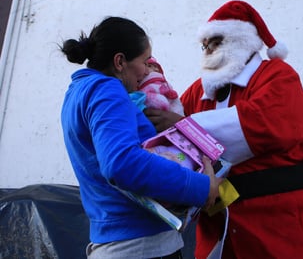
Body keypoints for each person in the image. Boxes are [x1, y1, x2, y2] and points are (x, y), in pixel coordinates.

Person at [145, 0, 303, 258]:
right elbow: (168, 132)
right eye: (204, 45)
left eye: (215, 41)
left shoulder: (277, 75)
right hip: (220, 229)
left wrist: (185, 126)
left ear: (242, 40)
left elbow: (267, 124)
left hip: (281, 226)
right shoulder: (200, 90)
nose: (208, 49)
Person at [59, 16, 221, 259]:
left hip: (115, 241)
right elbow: (122, 163)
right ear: (120, 61)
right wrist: (199, 187)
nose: (147, 70)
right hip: (142, 247)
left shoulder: (77, 92)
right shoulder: (107, 90)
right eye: (145, 61)